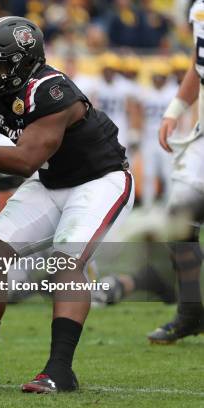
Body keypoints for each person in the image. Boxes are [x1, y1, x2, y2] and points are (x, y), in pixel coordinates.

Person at [0, 16, 133, 392]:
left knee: (66, 262)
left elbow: (23, 160)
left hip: (99, 181)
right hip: (50, 182)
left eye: (0, 65)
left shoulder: (52, 90)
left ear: (26, 64)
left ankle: (59, 370)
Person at [148, 0, 204, 344]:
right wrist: (175, 109)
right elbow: (199, 67)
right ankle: (191, 311)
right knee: (178, 222)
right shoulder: (198, 7)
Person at [137, 61, 176, 208]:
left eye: (161, 76)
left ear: (166, 78)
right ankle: (148, 206)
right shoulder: (146, 93)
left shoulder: (173, 92)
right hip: (149, 139)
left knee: (168, 173)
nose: (158, 79)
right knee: (148, 174)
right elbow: (139, 114)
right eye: (156, 76)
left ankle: (169, 207)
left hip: (168, 138)